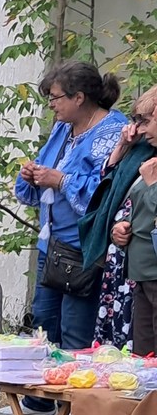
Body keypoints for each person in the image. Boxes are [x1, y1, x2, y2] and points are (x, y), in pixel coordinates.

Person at [14, 61, 128, 354]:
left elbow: (107, 193)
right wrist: (32, 174)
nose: (51, 104)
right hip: (51, 249)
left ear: (79, 97)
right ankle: (40, 387)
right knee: (43, 329)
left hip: (83, 252)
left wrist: (61, 181)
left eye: (55, 97)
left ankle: (74, 387)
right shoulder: (63, 128)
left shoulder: (113, 132)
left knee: (74, 336)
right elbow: (46, 166)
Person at [89, 88, 157, 349]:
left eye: (145, 121)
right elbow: (113, 195)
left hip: (150, 269)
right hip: (135, 270)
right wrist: (120, 227)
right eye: (136, 121)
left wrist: (152, 185)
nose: (139, 129)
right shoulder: (143, 153)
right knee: (141, 354)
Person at [121, 154, 157, 357]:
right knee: (144, 357)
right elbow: (141, 210)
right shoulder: (146, 156)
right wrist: (122, 227)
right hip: (142, 272)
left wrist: (153, 184)